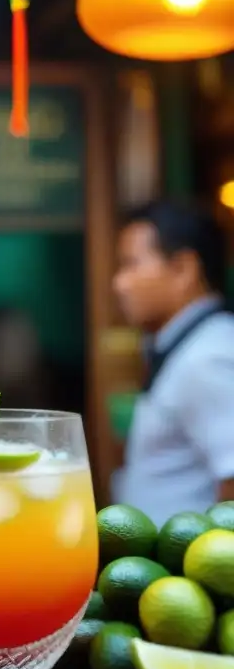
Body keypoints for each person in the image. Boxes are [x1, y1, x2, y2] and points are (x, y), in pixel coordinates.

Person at [112, 200, 234, 525]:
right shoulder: (193, 344)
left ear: (183, 269)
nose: (119, 283)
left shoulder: (208, 356)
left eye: (131, 265)